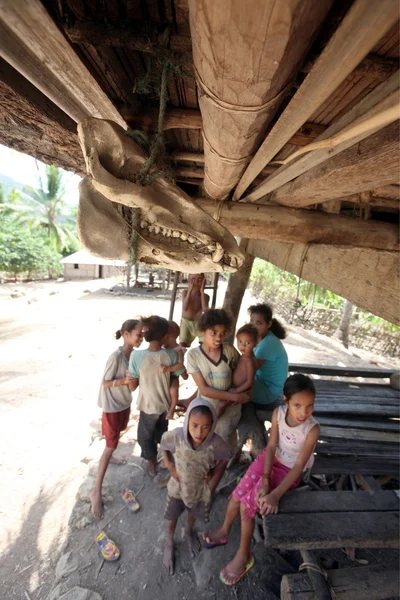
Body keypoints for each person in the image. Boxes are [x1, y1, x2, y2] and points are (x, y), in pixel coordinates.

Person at [204, 374, 320, 586]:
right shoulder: (278, 413)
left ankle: (244, 555)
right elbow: (272, 446)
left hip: (289, 470)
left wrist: (275, 494)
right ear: (285, 401)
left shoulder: (311, 430)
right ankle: (224, 530)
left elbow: (297, 467)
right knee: (238, 493)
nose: (304, 412)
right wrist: (265, 478)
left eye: (309, 406)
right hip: (270, 458)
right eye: (297, 405)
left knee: (247, 505)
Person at [161, 399, 232, 575]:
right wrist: (170, 466)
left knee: (194, 512)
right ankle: (169, 539)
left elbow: (225, 458)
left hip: (200, 489)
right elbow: (163, 443)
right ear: (187, 422)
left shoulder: (215, 443)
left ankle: (188, 531)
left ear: (213, 425)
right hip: (178, 486)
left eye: (206, 427)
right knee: (173, 513)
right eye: (194, 425)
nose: (199, 432)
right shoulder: (178, 436)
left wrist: (213, 478)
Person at [90, 319, 143, 518]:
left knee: (117, 434)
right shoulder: (116, 356)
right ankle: (95, 491)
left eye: (142, 335)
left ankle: (109, 456)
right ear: (126, 334)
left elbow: (132, 387)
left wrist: (133, 380)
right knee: (110, 445)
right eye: (138, 335)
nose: (141, 339)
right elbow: (105, 382)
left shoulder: (135, 356)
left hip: (124, 403)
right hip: (112, 406)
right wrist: (124, 380)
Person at [186, 309, 250, 450]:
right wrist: (236, 396)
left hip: (230, 410)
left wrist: (231, 400)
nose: (218, 338)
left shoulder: (229, 351)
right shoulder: (193, 356)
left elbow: (240, 376)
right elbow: (204, 390)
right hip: (206, 409)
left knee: (224, 443)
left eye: (222, 334)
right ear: (203, 331)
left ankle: (224, 468)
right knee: (204, 442)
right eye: (213, 333)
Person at [128, 316, 184, 477]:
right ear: (165, 336)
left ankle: (152, 462)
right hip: (165, 405)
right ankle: (167, 457)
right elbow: (179, 374)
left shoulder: (136, 356)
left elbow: (132, 386)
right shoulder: (170, 356)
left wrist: (129, 379)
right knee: (161, 432)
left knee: (145, 436)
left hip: (148, 406)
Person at [239, 304, 289, 454]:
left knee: (232, 384)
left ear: (269, 324)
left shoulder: (268, 344)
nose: (254, 326)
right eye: (252, 322)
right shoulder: (260, 339)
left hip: (270, 392)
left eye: (259, 323)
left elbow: (247, 369)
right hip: (262, 383)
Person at [159, 321, 189, 419]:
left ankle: (172, 409)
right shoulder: (162, 348)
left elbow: (180, 365)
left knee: (173, 389)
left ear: (168, 337)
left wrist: (168, 369)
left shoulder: (178, 350)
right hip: (163, 375)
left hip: (173, 375)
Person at [180, 273, 209, 347]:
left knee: (205, 344)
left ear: (203, 281)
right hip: (186, 323)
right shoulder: (185, 293)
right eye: (193, 279)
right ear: (189, 280)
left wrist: (202, 292)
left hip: (198, 323)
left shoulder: (205, 296)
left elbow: (205, 311)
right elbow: (185, 308)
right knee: (182, 344)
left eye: (199, 280)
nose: (196, 282)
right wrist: (189, 291)